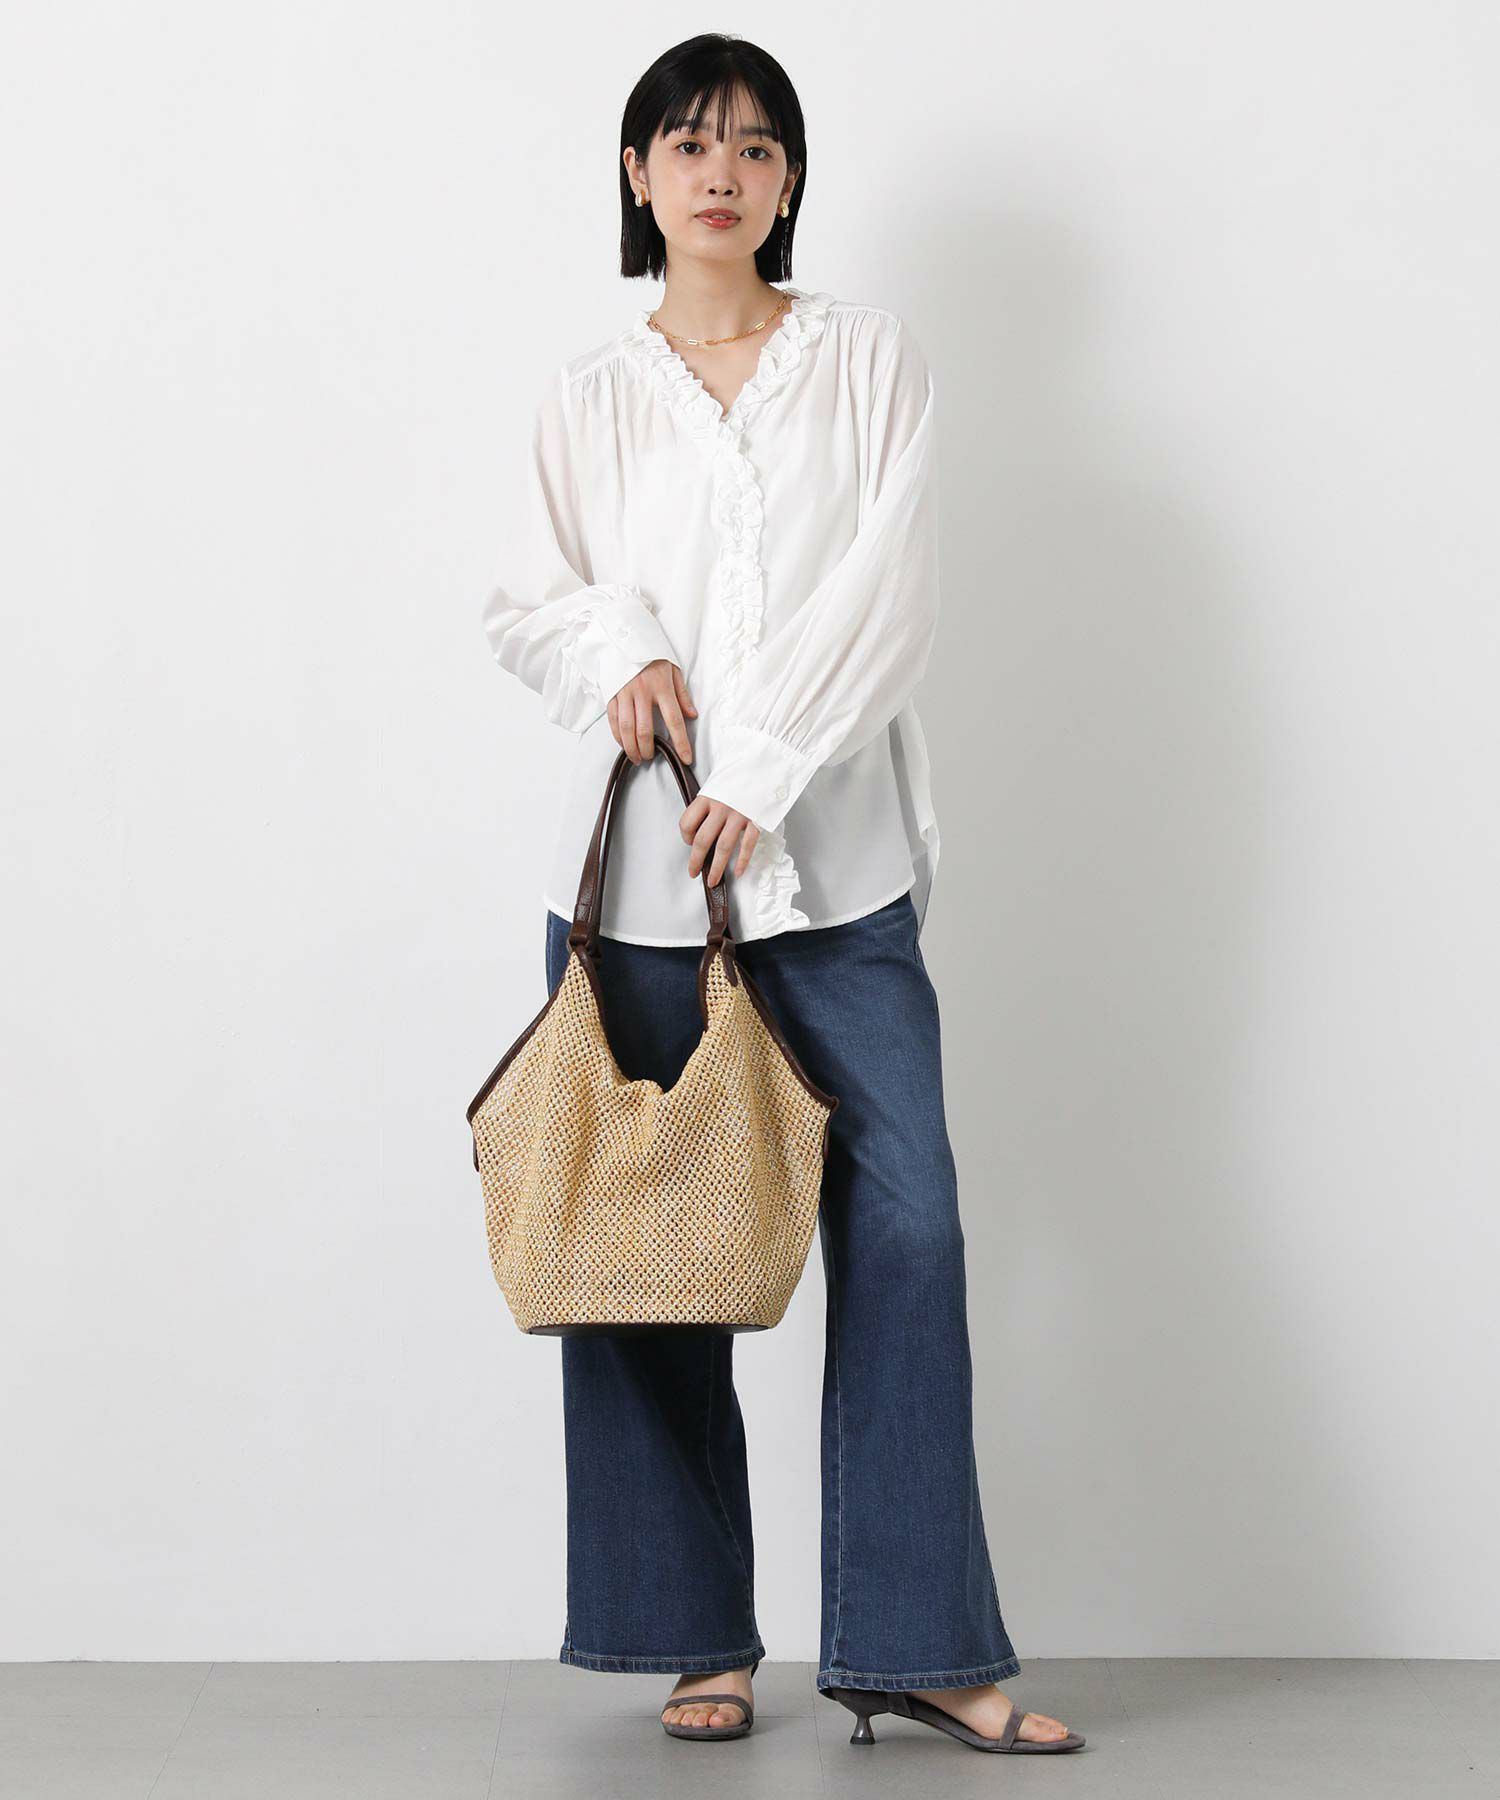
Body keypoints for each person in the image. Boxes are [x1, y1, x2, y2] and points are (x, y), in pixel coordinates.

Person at [479, 33, 1083, 1757]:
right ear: (638, 176)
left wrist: (763, 759)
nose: (720, 173)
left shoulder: (867, 361)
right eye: (687, 144)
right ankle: (696, 1637)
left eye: (754, 146)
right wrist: (623, 646)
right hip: (638, 908)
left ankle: (916, 1646)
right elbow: (530, 596)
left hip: (839, 878)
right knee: (642, 1265)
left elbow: (893, 587)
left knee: (909, 1233)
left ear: (792, 178)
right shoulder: (591, 397)